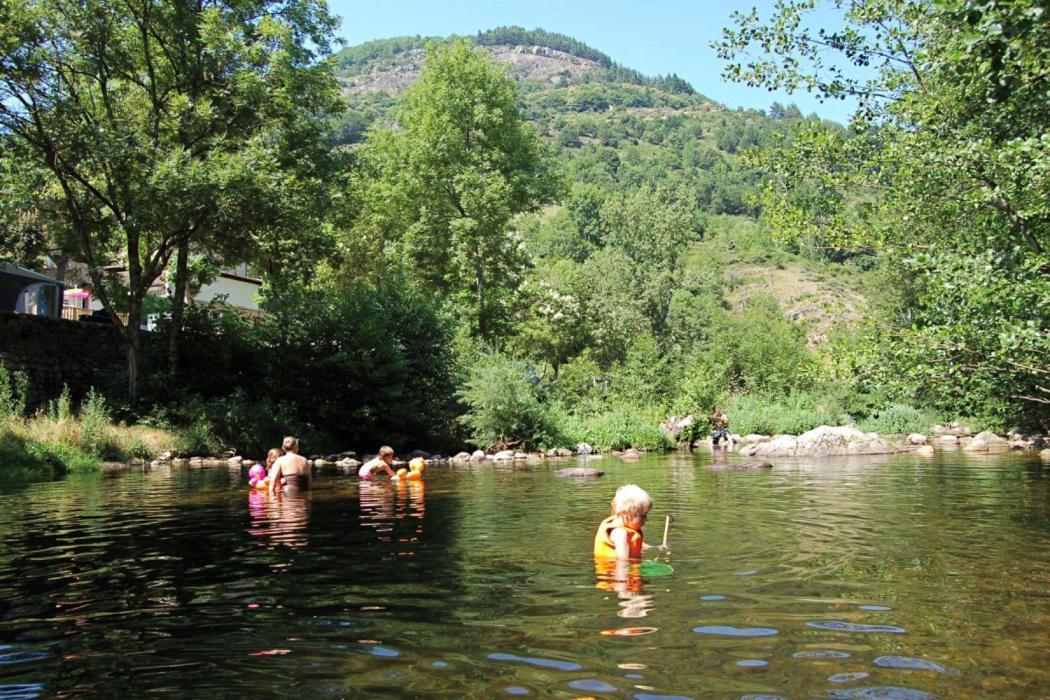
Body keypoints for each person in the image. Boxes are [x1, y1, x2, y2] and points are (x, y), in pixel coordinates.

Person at [594, 484, 656, 560]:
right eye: (642, 516)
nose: (646, 519)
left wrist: (653, 548)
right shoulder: (620, 534)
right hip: (613, 570)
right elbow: (622, 563)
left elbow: (633, 543)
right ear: (625, 513)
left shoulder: (617, 525)